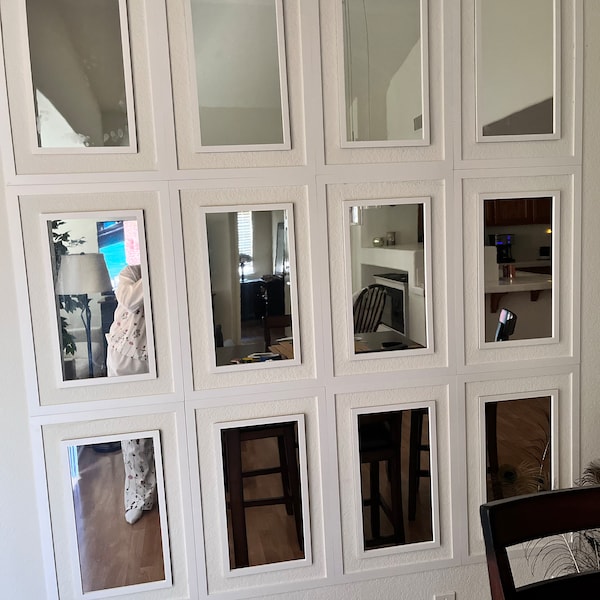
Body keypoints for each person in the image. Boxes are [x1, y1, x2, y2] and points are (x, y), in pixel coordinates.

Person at [106, 265, 155, 524]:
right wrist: (155, 272)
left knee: (162, 429)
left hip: (157, 362)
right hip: (122, 363)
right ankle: (138, 497)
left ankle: (165, 487)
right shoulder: (130, 274)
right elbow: (129, 300)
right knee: (133, 437)